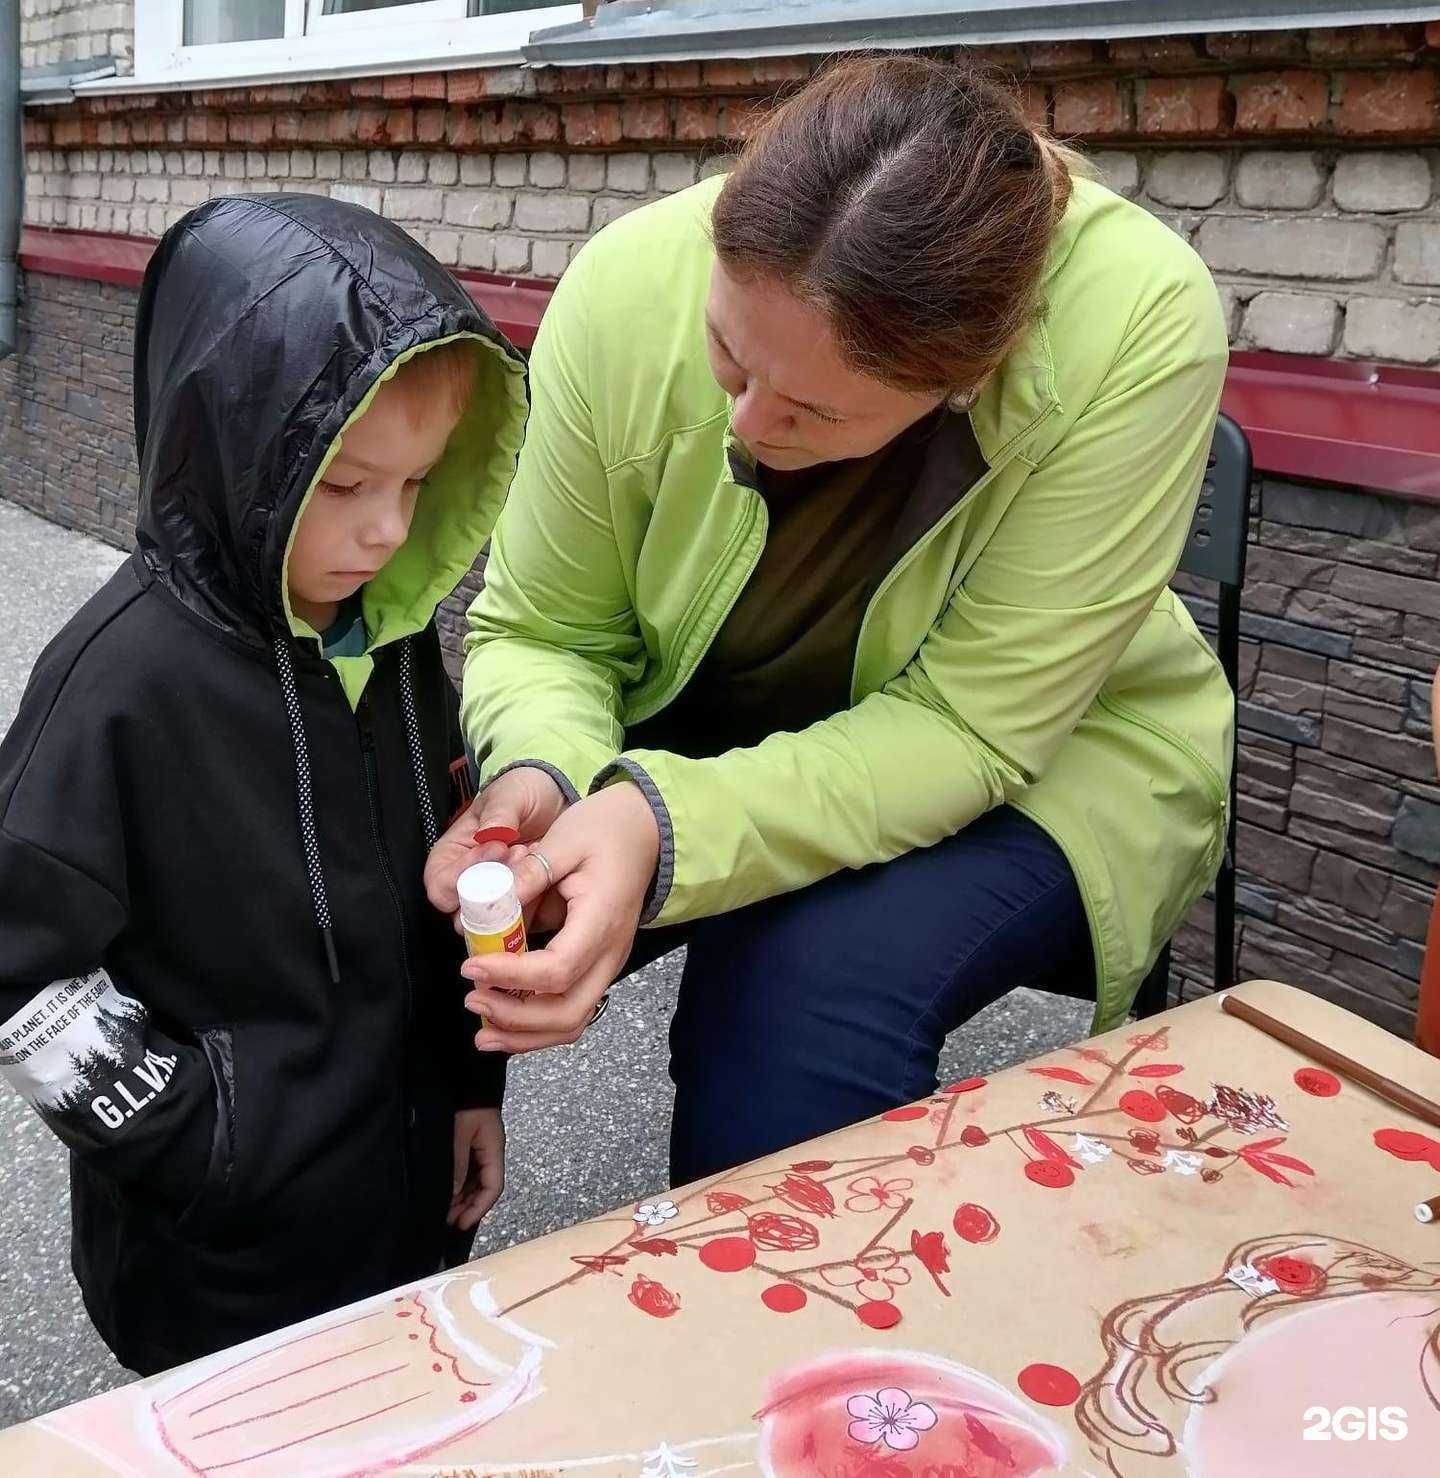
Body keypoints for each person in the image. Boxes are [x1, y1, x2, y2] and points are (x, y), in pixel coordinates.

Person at [428, 55, 1233, 1184]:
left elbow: (973, 728)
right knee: (407, 885)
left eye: (815, 407)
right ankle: (371, 1325)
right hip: (716, 725)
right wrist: (549, 774)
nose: (750, 423)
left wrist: (661, 824)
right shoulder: (626, 285)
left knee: (795, 992)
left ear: (964, 375)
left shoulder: (1139, 320)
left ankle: (789, 1351)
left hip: (1051, 754)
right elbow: (544, 628)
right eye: (726, 352)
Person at [0, 193, 528, 1374]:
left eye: (419, 483)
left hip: (405, 1207)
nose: (389, 533)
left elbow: (441, 884)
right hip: (217, 1269)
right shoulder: (119, 685)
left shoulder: (391, 646)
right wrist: (200, 1137)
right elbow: (15, 959)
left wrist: (469, 1082)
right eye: (345, 489)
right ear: (225, 444)